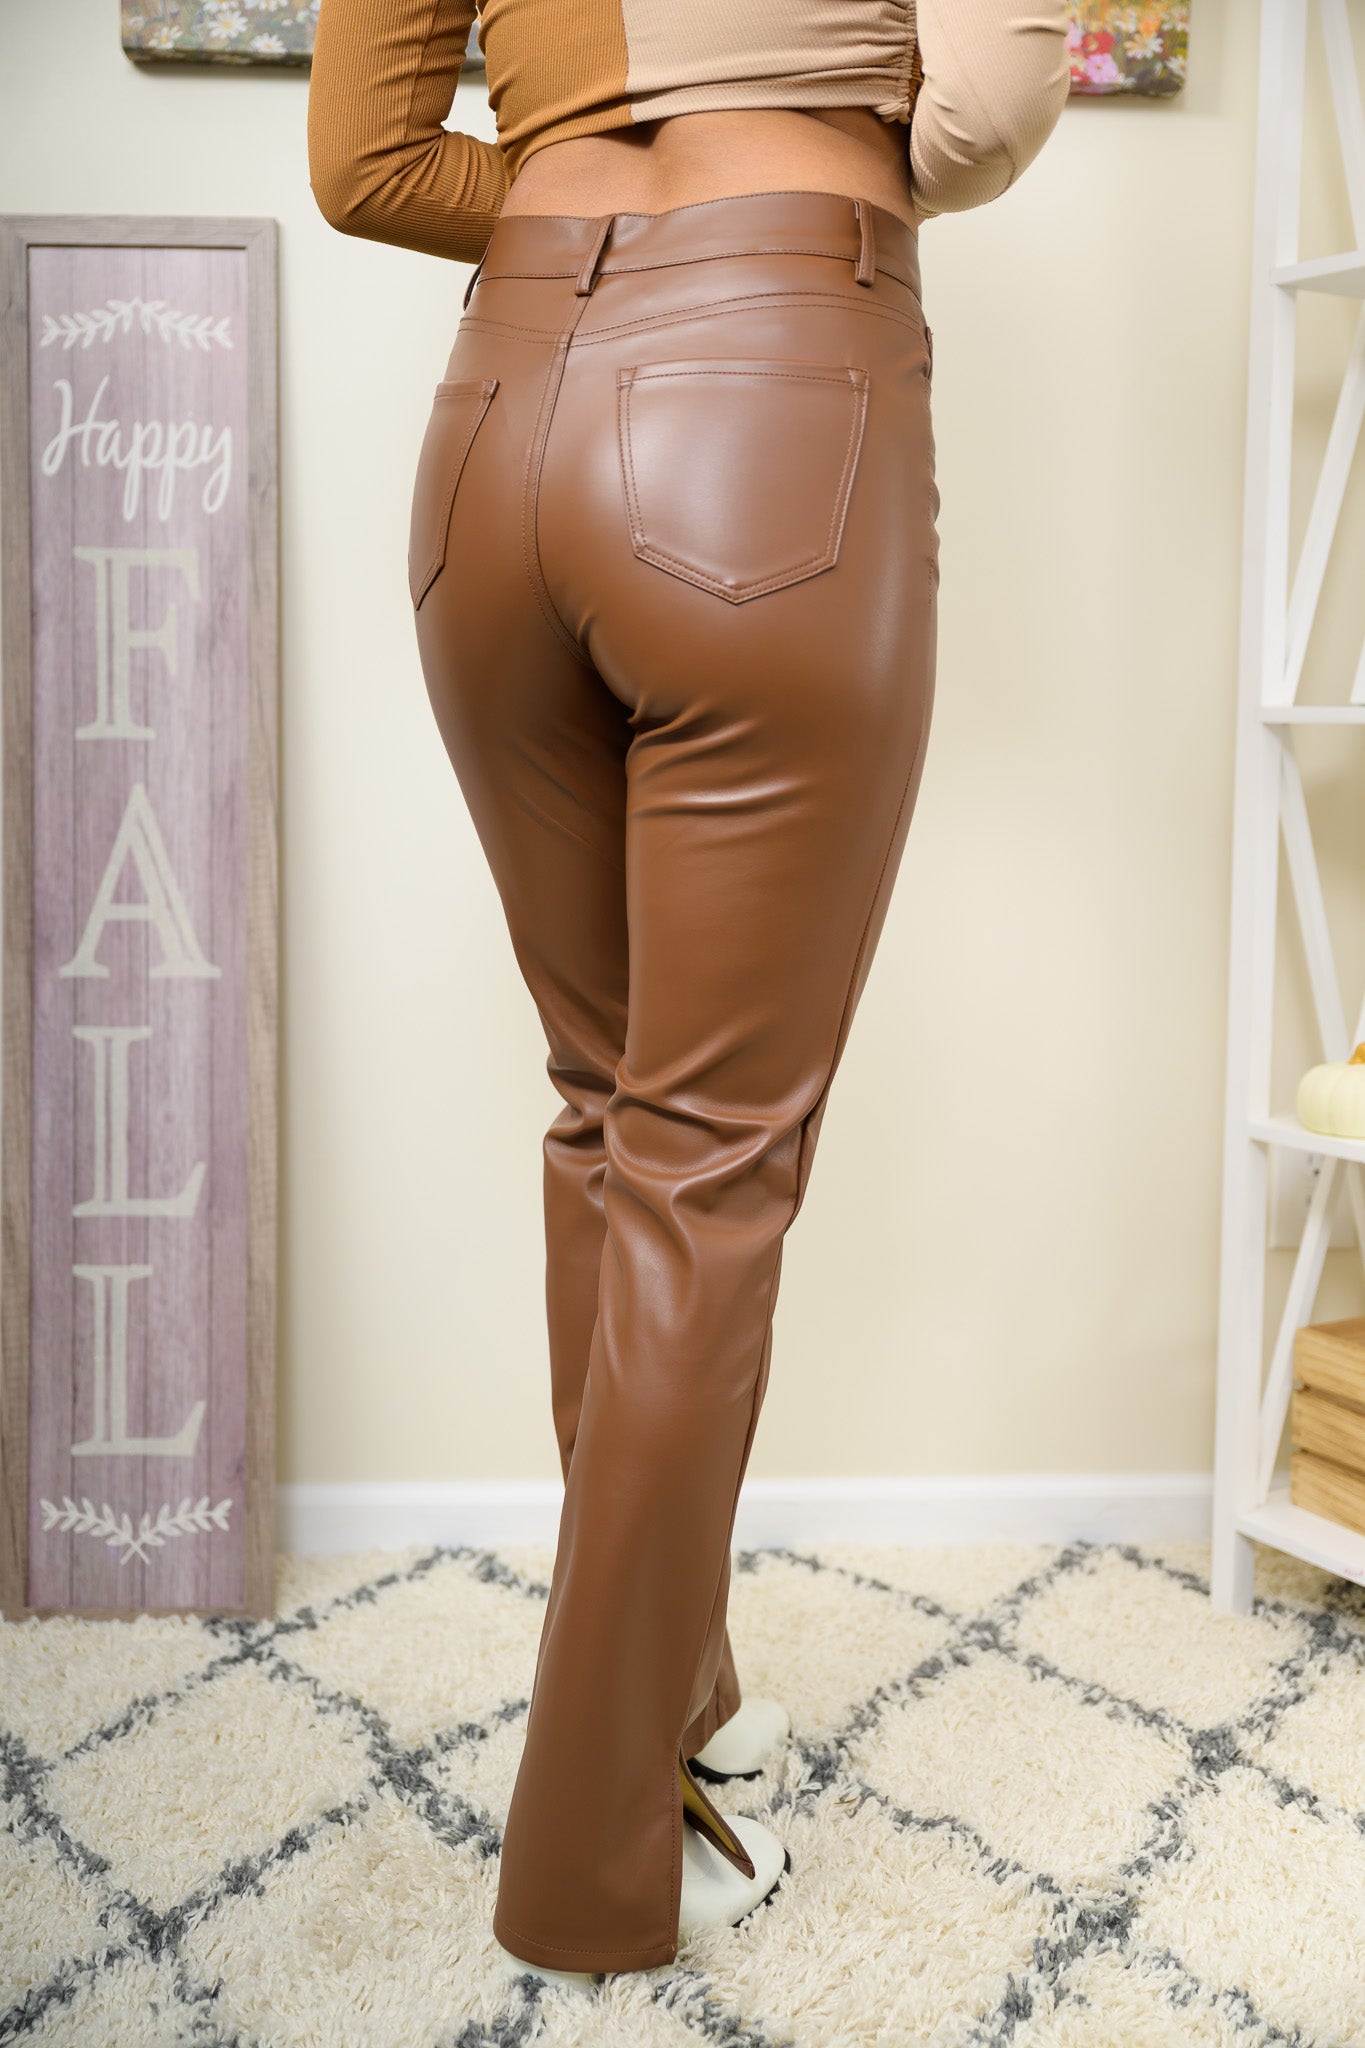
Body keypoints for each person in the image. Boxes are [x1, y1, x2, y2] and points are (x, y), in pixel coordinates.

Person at [307, 0, 1070, 1991]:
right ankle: (593, 1863)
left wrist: (594, 196)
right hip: (767, 400)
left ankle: (687, 1694)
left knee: (610, 1104)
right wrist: (770, 183)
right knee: (707, 1160)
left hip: (494, 427)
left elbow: (365, 164)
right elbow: (986, 111)